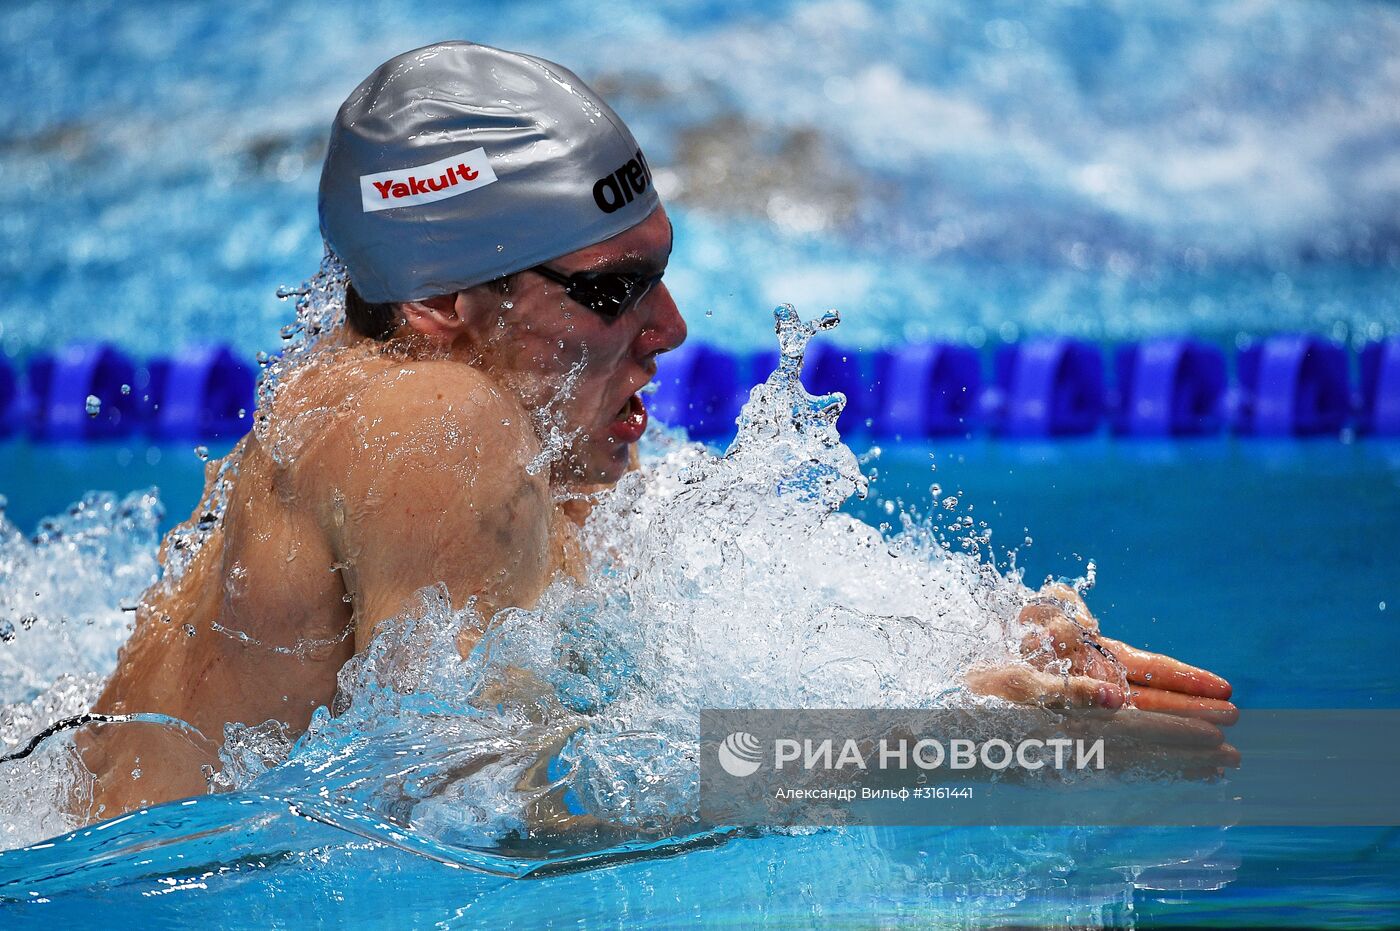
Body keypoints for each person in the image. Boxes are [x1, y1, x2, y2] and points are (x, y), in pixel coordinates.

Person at [71, 41, 1235, 822]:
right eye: (608, 291)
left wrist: (965, 659)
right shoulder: (428, 416)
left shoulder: (436, 412)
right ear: (441, 303)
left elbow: (631, 705)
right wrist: (944, 747)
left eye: (659, 278)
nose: (668, 330)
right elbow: (491, 834)